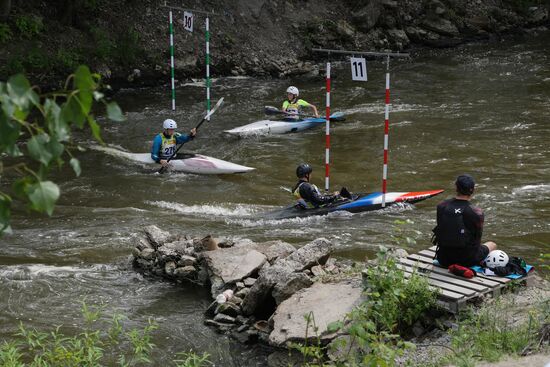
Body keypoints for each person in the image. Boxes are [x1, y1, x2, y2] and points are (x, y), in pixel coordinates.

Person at [433, 174, 498, 267]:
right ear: (473, 190)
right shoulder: (476, 212)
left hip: (444, 259)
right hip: (468, 261)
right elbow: (477, 238)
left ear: (456, 187)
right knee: (492, 244)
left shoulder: (441, 206)